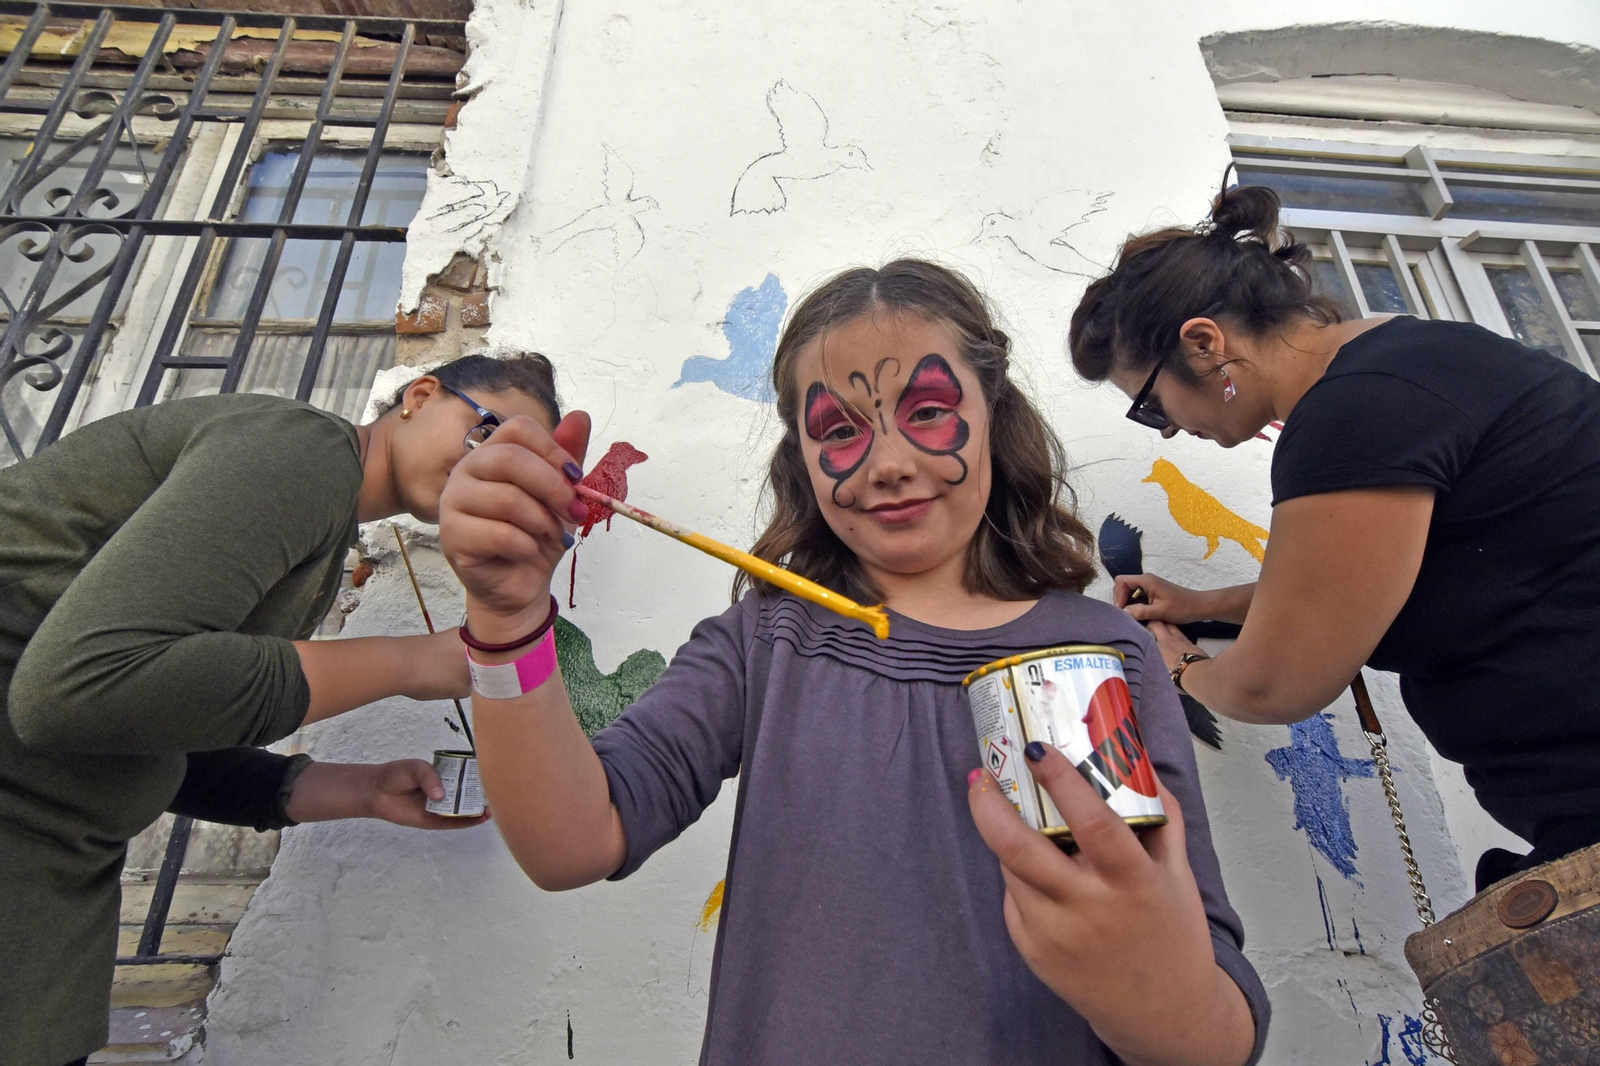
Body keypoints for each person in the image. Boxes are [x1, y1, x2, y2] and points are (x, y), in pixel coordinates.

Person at [436, 260, 1268, 1065]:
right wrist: (507, 623)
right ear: (800, 456)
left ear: (995, 414)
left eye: (931, 411)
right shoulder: (766, 641)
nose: (889, 461)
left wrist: (1154, 989)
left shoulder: (1099, 653)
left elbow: (1222, 1031)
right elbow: (571, 843)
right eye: (840, 429)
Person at [0, 350, 564, 1066]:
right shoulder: (305, 451)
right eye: (489, 436)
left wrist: (354, 789)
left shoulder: (323, 540)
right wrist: (409, 662)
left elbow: (145, 721)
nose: (494, 471)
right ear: (420, 396)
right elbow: (75, 687)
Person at [1067, 178, 1600, 892]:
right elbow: (1372, 578)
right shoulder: (1405, 360)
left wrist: (1177, 663)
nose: (1169, 429)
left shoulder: (1354, 414)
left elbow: (1272, 685)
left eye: (1150, 405)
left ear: (1204, 342)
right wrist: (1201, 606)